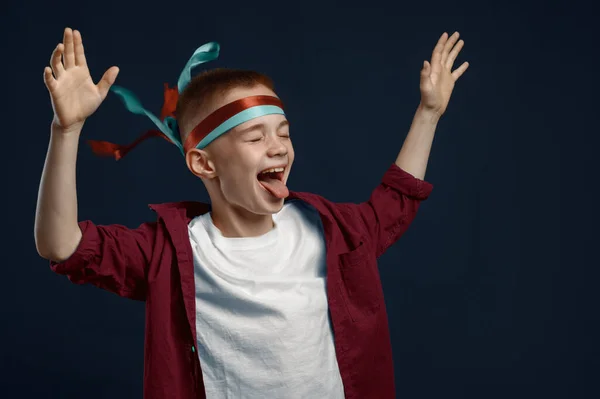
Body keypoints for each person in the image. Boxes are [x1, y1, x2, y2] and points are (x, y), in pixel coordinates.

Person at [35, 27, 468, 399]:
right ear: (204, 163)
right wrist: (66, 130)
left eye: (283, 133)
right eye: (254, 137)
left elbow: (395, 201)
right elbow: (61, 245)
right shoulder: (169, 252)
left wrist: (429, 113)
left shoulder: (329, 230)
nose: (278, 146)